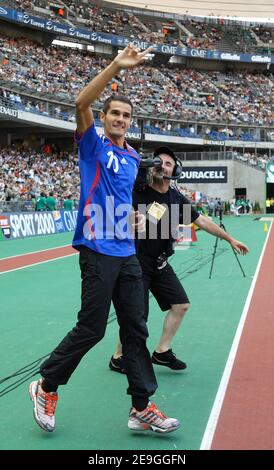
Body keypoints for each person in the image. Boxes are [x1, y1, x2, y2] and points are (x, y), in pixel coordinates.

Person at [28, 45, 180, 435]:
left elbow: (119, 199)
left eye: (126, 116)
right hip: (97, 248)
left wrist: (131, 217)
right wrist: (116, 64)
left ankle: (141, 407)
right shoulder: (93, 145)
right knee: (92, 328)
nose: (121, 119)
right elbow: (80, 101)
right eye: (115, 113)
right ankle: (46, 385)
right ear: (105, 117)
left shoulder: (131, 160)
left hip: (126, 250)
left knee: (136, 328)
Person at [109, 146, 249, 374]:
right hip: (137, 262)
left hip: (160, 263)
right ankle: (118, 357)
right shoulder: (138, 192)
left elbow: (202, 221)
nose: (162, 166)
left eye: (167, 163)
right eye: (158, 162)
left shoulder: (176, 198)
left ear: (175, 170)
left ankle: (162, 351)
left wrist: (230, 239)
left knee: (181, 305)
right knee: (137, 317)